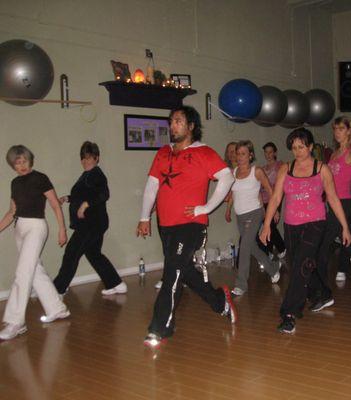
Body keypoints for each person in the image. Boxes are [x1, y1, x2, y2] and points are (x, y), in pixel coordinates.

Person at [137, 105, 237, 347]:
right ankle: (220, 302)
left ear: (191, 126)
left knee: (171, 274)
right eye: (171, 121)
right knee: (184, 271)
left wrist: (207, 207)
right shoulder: (162, 153)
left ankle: (159, 328)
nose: (173, 125)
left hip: (191, 225)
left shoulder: (203, 152)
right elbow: (152, 186)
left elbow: (227, 177)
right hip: (166, 224)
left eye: (179, 121)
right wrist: (144, 217)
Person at [259, 128, 351, 334]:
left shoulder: (322, 169)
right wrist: (266, 224)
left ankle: (289, 314)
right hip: (291, 225)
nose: (298, 151)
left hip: (315, 223)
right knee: (302, 264)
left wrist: (345, 227)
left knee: (301, 265)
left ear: (310, 147)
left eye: (301, 147)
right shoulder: (286, 168)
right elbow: (275, 198)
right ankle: (323, 294)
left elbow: (334, 198)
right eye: (294, 147)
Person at [0, 145, 71, 341]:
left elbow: (55, 204)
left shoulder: (40, 178)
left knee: (23, 272)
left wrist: (62, 229)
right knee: (35, 271)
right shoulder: (14, 183)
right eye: (16, 163)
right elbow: (11, 212)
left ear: (30, 160)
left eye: (23, 161)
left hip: (36, 227)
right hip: (19, 228)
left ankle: (16, 322)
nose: (21, 166)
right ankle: (57, 308)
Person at [53, 142, 126, 297]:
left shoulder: (97, 175)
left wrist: (85, 205)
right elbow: (84, 194)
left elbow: (104, 194)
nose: (85, 161)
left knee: (72, 253)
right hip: (93, 223)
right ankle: (116, 283)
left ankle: (58, 289)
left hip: (91, 224)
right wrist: (68, 198)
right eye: (83, 158)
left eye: (89, 158)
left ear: (96, 158)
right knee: (93, 254)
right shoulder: (87, 175)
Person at [308, 116, 351, 312]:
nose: (337, 132)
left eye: (340, 129)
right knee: (350, 242)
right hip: (331, 203)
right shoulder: (333, 155)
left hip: (344, 203)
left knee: (322, 248)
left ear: (349, 131)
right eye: (335, 129)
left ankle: (323, 293)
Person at [225, 140, 281, 296]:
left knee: (244, 247)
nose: (240, 157)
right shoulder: (234, 172)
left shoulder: (257, 171)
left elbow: (270, 190)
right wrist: (228, 210)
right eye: (238, 154)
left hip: (254, 214)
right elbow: (233, 195)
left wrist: (274, 210)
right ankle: (273, 269)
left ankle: (241, 284)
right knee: (252, 247)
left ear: (250, 155)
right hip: (240, 216)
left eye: (243, 154)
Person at [257, 142, 286, 259]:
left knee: (271, 226)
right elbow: (258, 188)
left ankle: (282, 248)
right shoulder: (262, 169)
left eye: (270, 152)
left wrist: (276, 209)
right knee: (267, 226)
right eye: (266, 152)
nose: (268, 155)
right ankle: (269, 251)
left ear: (275, 153)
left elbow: (282, 185)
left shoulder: (280, 165)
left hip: (274, 199)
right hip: (262, 201)